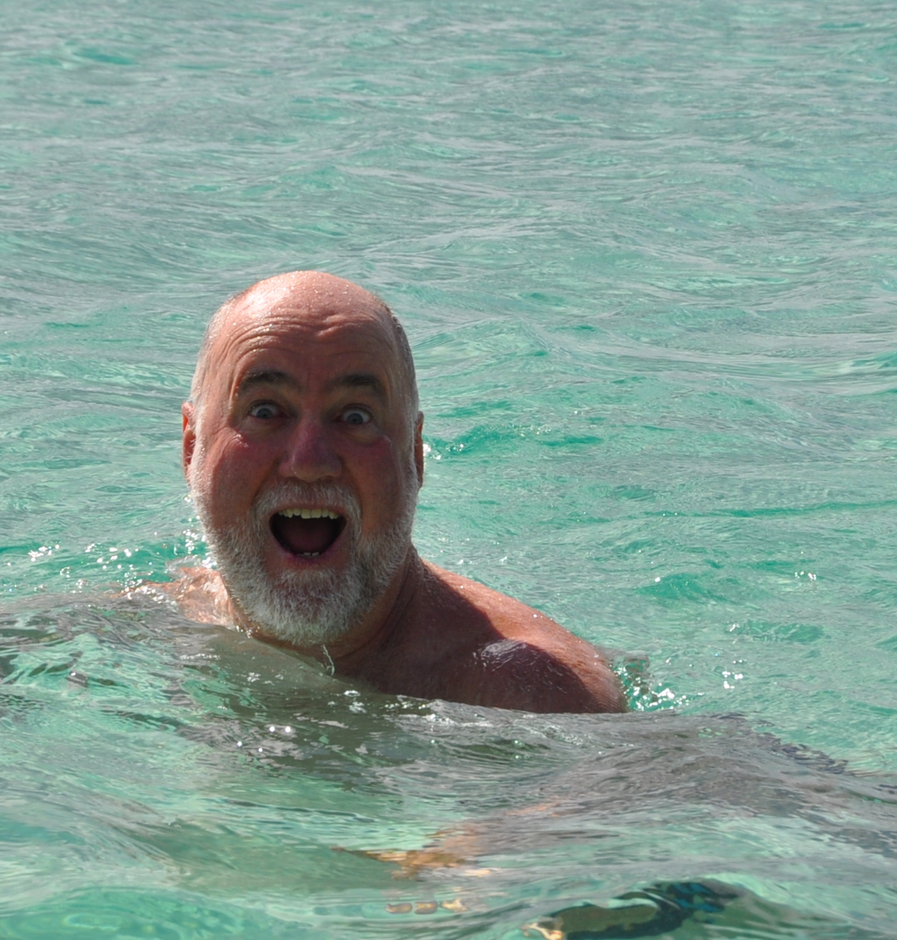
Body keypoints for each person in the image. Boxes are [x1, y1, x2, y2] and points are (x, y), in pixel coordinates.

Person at [168, 271, 624, 714]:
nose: (309, 462)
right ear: (192, 449)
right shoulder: (148, 625)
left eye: (355, 417)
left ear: (415, 456)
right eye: (265, 411)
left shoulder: (525, 696)